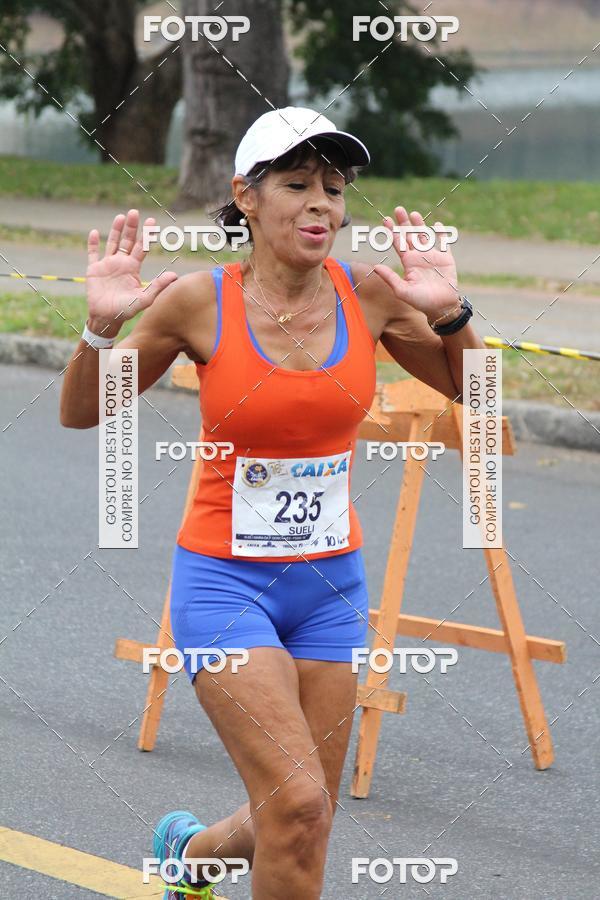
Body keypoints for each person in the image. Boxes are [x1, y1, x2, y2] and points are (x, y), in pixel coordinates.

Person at [60, 106, 485, 899]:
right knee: (296, 801)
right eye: (297, 184)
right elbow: (83, 412)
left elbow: (480, 396)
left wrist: (450, 313)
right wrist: (99, 331)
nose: (322, 203)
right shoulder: (196, 301)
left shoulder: (371, 296)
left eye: (334, 186)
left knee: (301, 815)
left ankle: (188, 859)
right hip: (224, 584)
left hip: (330, 588)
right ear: (246, 198)